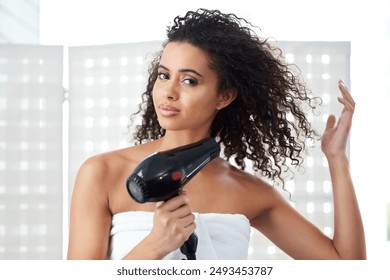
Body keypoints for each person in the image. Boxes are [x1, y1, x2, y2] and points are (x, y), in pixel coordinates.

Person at [67, 8, 366, 260]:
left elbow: (345, 268)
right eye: (163, 75)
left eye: (189, 81)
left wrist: (337, 159)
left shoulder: (249, 193)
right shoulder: (103, 174)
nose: (168, 91)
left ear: (224, 96)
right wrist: (153, 246)